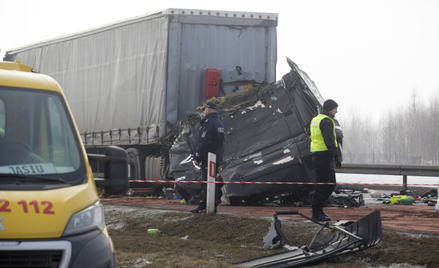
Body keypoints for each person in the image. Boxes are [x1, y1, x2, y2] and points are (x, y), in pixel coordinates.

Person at [310, 99, 342, 221]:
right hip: (322, 156)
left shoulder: (316, 119)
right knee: (323, 185)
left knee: (330, 184)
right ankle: (316, 213)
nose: (336, 111)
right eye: (335, 109)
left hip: (318, 155)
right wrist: (336, 157)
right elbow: (329, 141)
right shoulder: (326, 121)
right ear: (330, 109)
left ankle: (319, 210)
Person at [190, 101, 225, 213]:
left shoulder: (208, 123)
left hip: (208, 158)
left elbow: (204, 142)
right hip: (216, 156)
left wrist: (198, 158)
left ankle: (206, 206)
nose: (204, 111)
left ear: (208, 110)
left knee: (207, 182)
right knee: (211, 181)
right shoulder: (219, 122)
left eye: (205, 109)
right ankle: (209, 204)